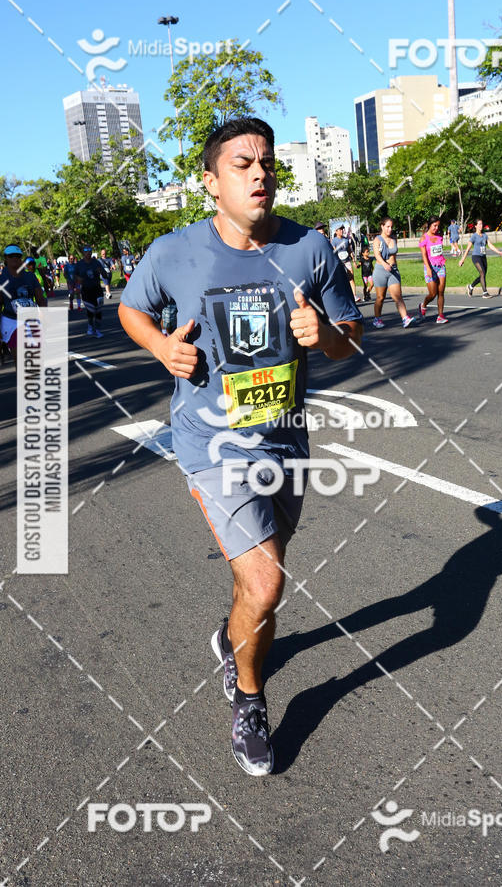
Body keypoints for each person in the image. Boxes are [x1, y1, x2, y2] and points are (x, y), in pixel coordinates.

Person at [118, 117, 363, 776]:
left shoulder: (309, 248)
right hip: (211, 445)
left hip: (285, 442)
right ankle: (250, 701)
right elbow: (132, 310)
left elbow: (351, 335)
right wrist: (161, 346)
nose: (260, 175)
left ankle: (232, 637)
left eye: (268, 164)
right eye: (243, 164)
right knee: (265, 578)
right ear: (211, 181)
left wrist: (325, 336)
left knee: (258, 576)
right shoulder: (173, 252)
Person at [0, 244, 46, 364]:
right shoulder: (1, 279)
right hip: (11, 321)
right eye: (11, 256)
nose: (15, 258)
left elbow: (40, 299)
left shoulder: (30, 276)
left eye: (18, 255)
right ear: (6, 258)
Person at [371, 217, 414, 329]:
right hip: (381, 271)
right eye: (387, 227)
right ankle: (377, 319)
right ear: (382, 226)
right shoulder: (377, 240)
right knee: (380, 297)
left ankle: (405, 318)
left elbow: (394, 255)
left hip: (393, 271)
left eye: (391, 227)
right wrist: (384, 264)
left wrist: (394, 268)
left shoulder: (394, 238)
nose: (390, 229)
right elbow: (377, 255)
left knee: (397, 296)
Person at [459, 219, 502, 296]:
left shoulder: (484, 235)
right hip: (476, 257)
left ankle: (471, 286)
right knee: (482, 273)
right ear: (475, 226)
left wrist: (498, 251)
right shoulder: (474, 236)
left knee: (482, 275)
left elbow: (490, 245)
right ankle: (485, 292)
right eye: (479, 224)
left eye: (482, 224)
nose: (481, 226)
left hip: (483, 257)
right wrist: (462, 259)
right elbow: (468, 249)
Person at [418, 216, 448, 324]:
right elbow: (424, 255)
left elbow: (439, 251)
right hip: (430, 267)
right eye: (434, 226)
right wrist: (428, 268)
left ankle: (440, 316)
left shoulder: (439, 236)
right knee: (432, 294)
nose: (436, 228)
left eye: (438, 226)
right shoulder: (424, 238)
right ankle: (423, 305)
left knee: (441, 292)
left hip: (441, 266)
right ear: (429, 225)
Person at [75, 245, 105, 337]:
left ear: (91, 252)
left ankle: (98, 330)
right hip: (86, 290)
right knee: (91, 311)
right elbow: (74, 277)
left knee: (98, 310)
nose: (88, 252)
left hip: (97, 289)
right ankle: (90, 326)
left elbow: (105, 275)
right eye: (86, 251)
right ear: (83, 252)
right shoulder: (79, 264)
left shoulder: (96, 262)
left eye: (89, 251)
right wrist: (78, 281)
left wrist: (101, 271)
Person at [331, 225, 360, 303]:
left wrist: (354, 261)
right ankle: (342, 296)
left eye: (342, 229)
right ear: (336, 231)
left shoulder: (346, 240)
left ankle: (354, 296)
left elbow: (350, 251)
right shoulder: (334, 241)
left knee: (351, 278)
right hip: (339, 263)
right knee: (341, 280)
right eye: (340, 229)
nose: (341, 231)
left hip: (347, 261)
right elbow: (334, 252)